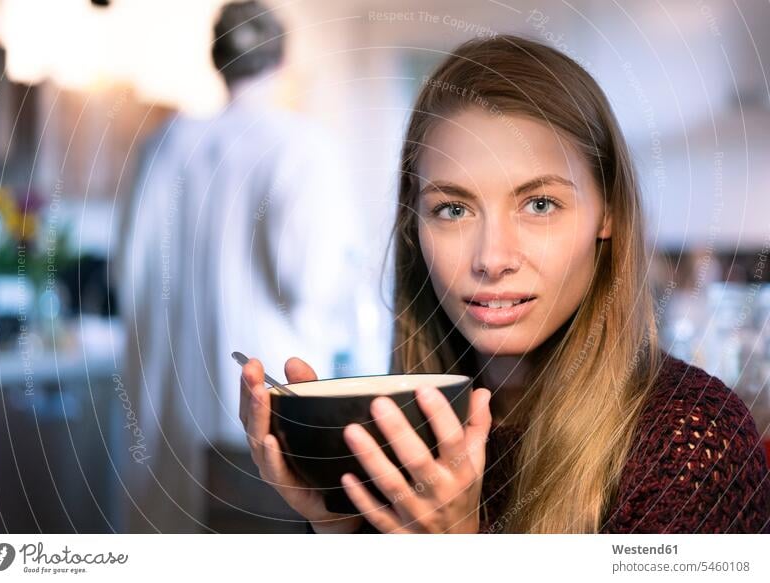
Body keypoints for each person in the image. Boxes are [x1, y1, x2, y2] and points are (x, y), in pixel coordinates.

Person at [239, 35, 770, 534]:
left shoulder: (696, 446)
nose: (492, 259)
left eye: (539, 204)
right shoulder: (403, 439)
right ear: (413, 224)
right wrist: (345, 530)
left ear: (606, 211)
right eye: (452, 209)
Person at [117, 1, 362, 532]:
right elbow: (310, 283)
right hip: (260, 420)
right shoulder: (302, 146)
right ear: (281, 59)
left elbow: (127, 275)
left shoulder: (162, 144)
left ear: (217, 59)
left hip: (167, 414)